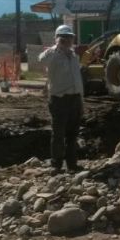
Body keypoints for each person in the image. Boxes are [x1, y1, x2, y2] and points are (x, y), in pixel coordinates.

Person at [39, 25, 85, 174]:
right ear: (58, 38)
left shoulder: (74, 56)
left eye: (70, 37)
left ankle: (72, 164)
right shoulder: (51, 54)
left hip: (75, 98)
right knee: (58, 133)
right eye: (65, 38)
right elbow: (41, 61)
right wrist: (56, 46)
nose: (69, 40)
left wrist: (81, 101)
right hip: (59, 99)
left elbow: (78, 80)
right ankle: (56, 165)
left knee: (73, 134)